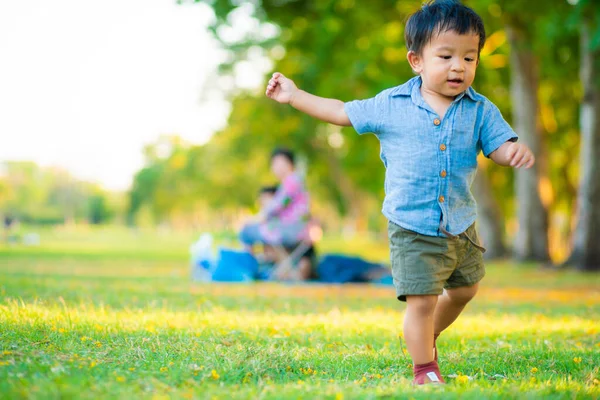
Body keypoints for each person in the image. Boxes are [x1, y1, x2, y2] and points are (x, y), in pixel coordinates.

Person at [265, 0, 534, 385]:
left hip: (459, 223)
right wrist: (295, 96)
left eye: (469, 57)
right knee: (421, 301)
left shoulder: (480, 109)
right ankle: (425, 368)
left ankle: (427, 337)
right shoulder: (391, 105)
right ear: (416, 60)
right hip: (412, 225)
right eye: (446, 55)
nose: (459, 66)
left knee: (465, 290)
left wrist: (513, 151)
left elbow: (498, 145)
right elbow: (342, 111)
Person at [239, 148, 311, 255]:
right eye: (274, 164)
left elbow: (277, 206)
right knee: (253, 231)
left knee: (246, 231)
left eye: (280, 163)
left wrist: (256, 218)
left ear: (290, 164)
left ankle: (247, 267)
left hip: (290, 231)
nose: (276, 167)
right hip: (293, 229)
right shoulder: (292, 181)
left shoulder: (292, 181)